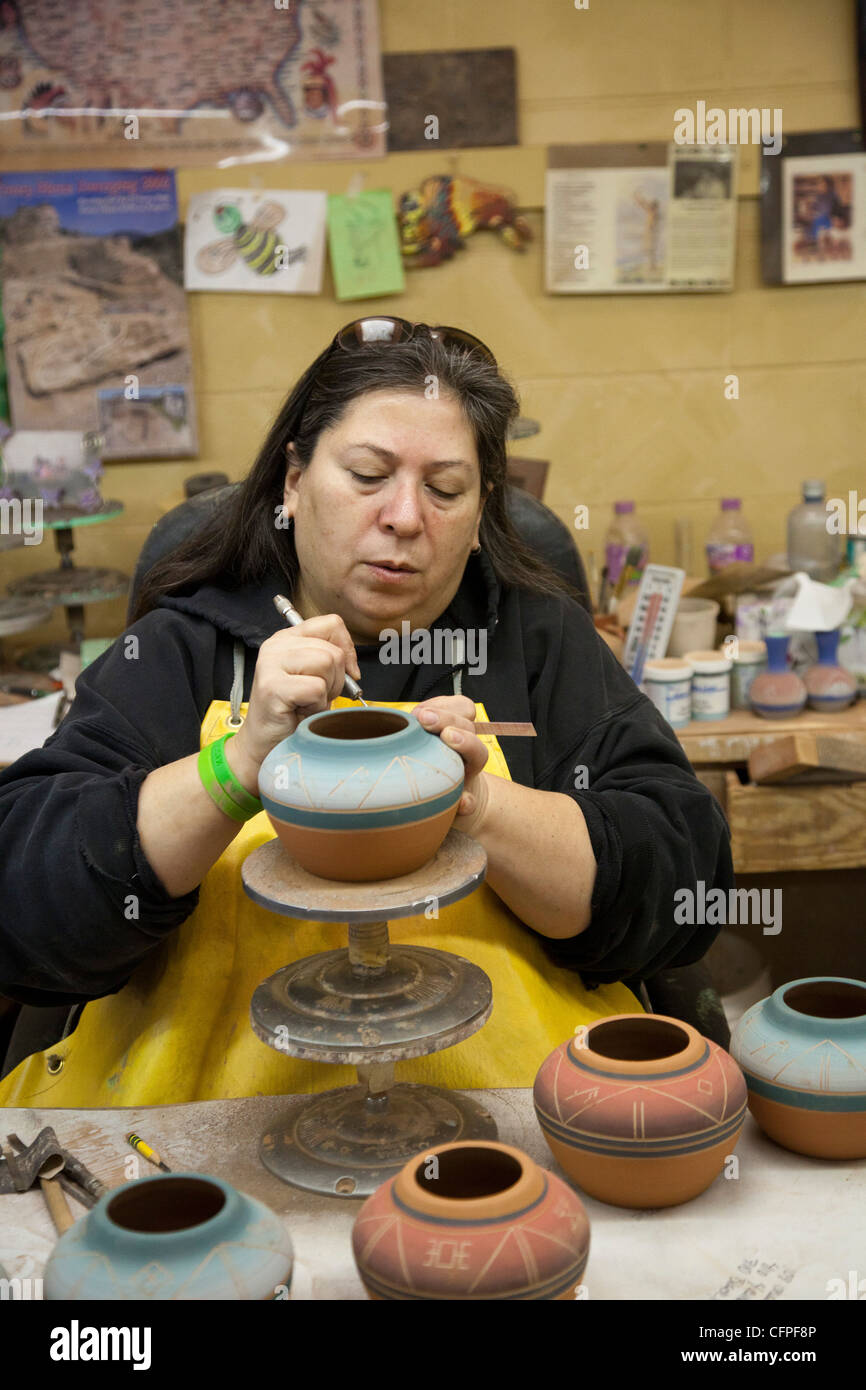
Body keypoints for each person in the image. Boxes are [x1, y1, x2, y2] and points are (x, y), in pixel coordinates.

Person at [0, 318, 733, 1106]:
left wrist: (480, 804)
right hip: (207, 1131)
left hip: (512, 1119)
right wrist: (236, 765)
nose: (406, 517)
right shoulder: (180, 651)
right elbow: (24, 907)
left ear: (484, 511)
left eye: (446, 490)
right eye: (367, 475)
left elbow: (688, 886)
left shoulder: (537, 642)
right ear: (292, 480)